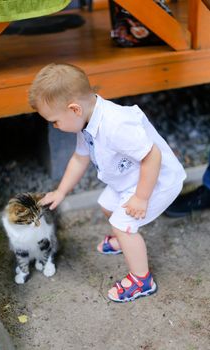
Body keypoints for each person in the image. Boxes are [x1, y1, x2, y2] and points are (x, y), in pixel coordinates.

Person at [28, 63, 186, 303]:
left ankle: (141, 280)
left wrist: (141, 198)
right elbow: (80, 158)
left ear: (74, 109)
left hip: (157, 180)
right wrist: (61, 191)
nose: (54, 126)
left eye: (54, 121)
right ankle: (124, 240)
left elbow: (152, 156)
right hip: (130, 179)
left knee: (123, 225)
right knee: (107, 205)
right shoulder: (86, 120)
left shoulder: (116, 125)